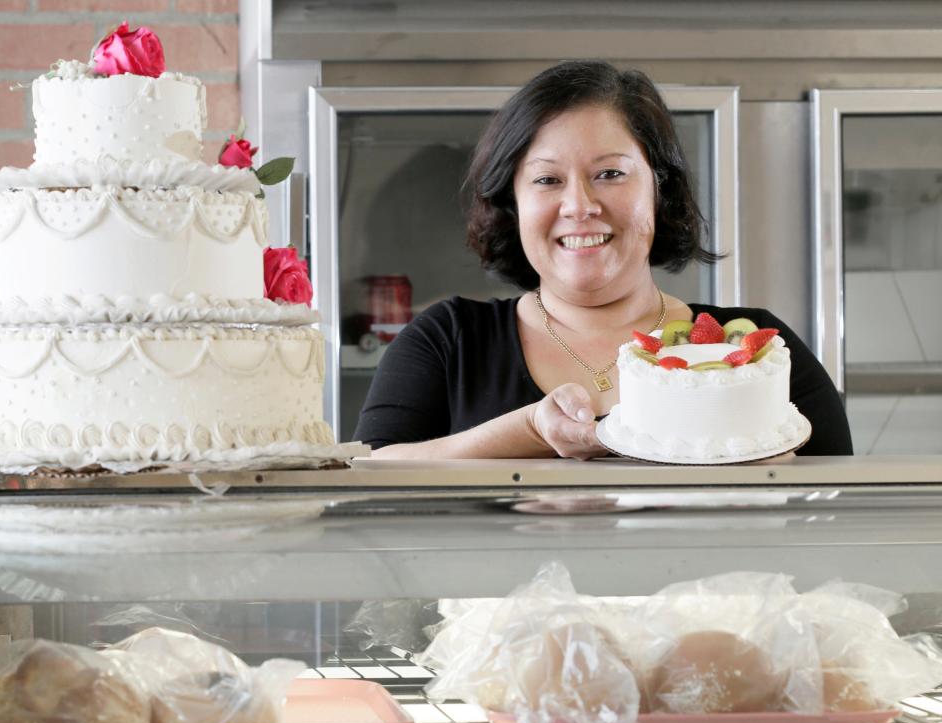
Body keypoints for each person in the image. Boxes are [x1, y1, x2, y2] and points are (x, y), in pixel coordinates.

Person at [354, 60, 853, 459]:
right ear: (513, 203)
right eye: (547, 180)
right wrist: (529, 430)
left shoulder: (756, 348)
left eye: (610, 174)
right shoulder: (449, 340)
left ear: (661, 189)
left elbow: (840, 522)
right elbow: (365, 485)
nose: (580, 206)